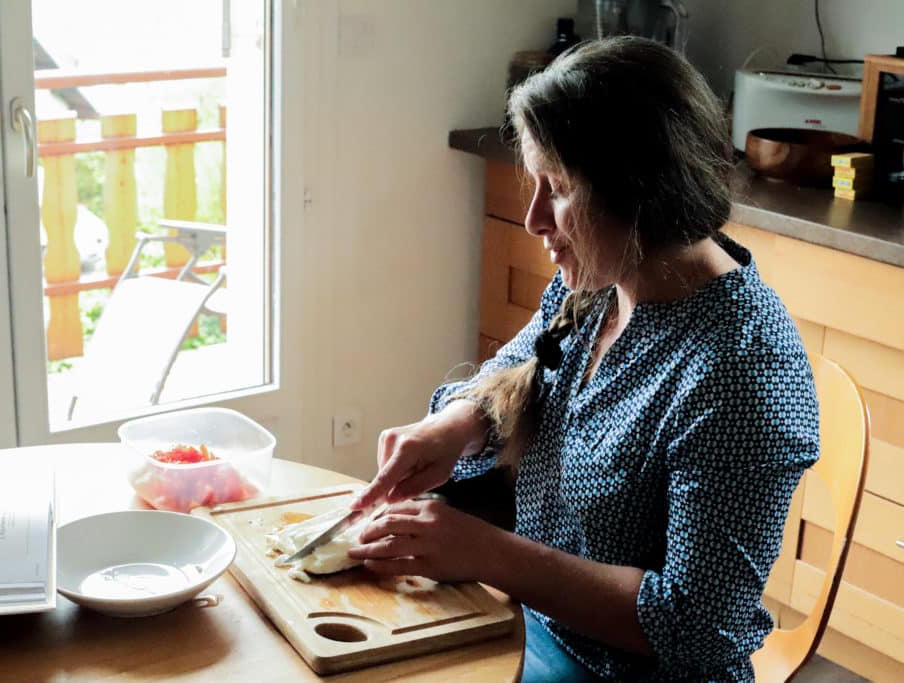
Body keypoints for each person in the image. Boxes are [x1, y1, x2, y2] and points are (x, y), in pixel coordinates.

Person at [347, 36, 820, 682]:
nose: (535, 217)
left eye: (560, 188)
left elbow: (698, 626)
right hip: (532, 628)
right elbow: (524, 366)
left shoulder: (743, 369)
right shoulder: (603, 280)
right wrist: (454, 425)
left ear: (642, 190)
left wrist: (484, 551)